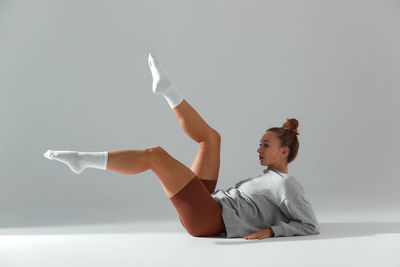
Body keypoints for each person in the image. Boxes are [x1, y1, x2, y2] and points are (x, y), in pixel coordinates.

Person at [43, 53, 320, 240]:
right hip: (212, 205)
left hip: (209, 220)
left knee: (156, 155)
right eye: (259, 143)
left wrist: (270, 232)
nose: (258, 149)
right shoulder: (268, 178)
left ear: (284, 151)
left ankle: (82, 160)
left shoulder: (287, 186)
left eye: (266, 145)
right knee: (212, 138)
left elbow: (309, 225)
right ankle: (167, 91)